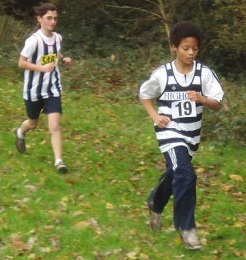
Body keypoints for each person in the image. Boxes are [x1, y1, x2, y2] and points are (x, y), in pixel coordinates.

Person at [139, 21, 224, 250]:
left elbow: (218, 103)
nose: (190, 53)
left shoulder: (204, 73)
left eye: (194, 48)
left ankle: (155, 202)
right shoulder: (162, 74)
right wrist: (155, 117)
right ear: (175, 47)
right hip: (169, 132)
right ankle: (187, 229)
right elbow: (144, 95)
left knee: (176, 171)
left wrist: (203, 99)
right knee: (186, 174)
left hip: (192, 135)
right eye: (186, 48)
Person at [15, 3, 72, 173]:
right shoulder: (33, 41)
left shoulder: (58, 38)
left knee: (54, 125)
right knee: (33, 123)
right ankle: (20, 132)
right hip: (33, 90)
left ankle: (59, 162)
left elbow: (55, 51)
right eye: (49, 18)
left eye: (55, 18)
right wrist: (40, 68)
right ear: (39, 19)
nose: (52, 22)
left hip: (52, 88)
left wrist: (63, 59)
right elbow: (21, 63)